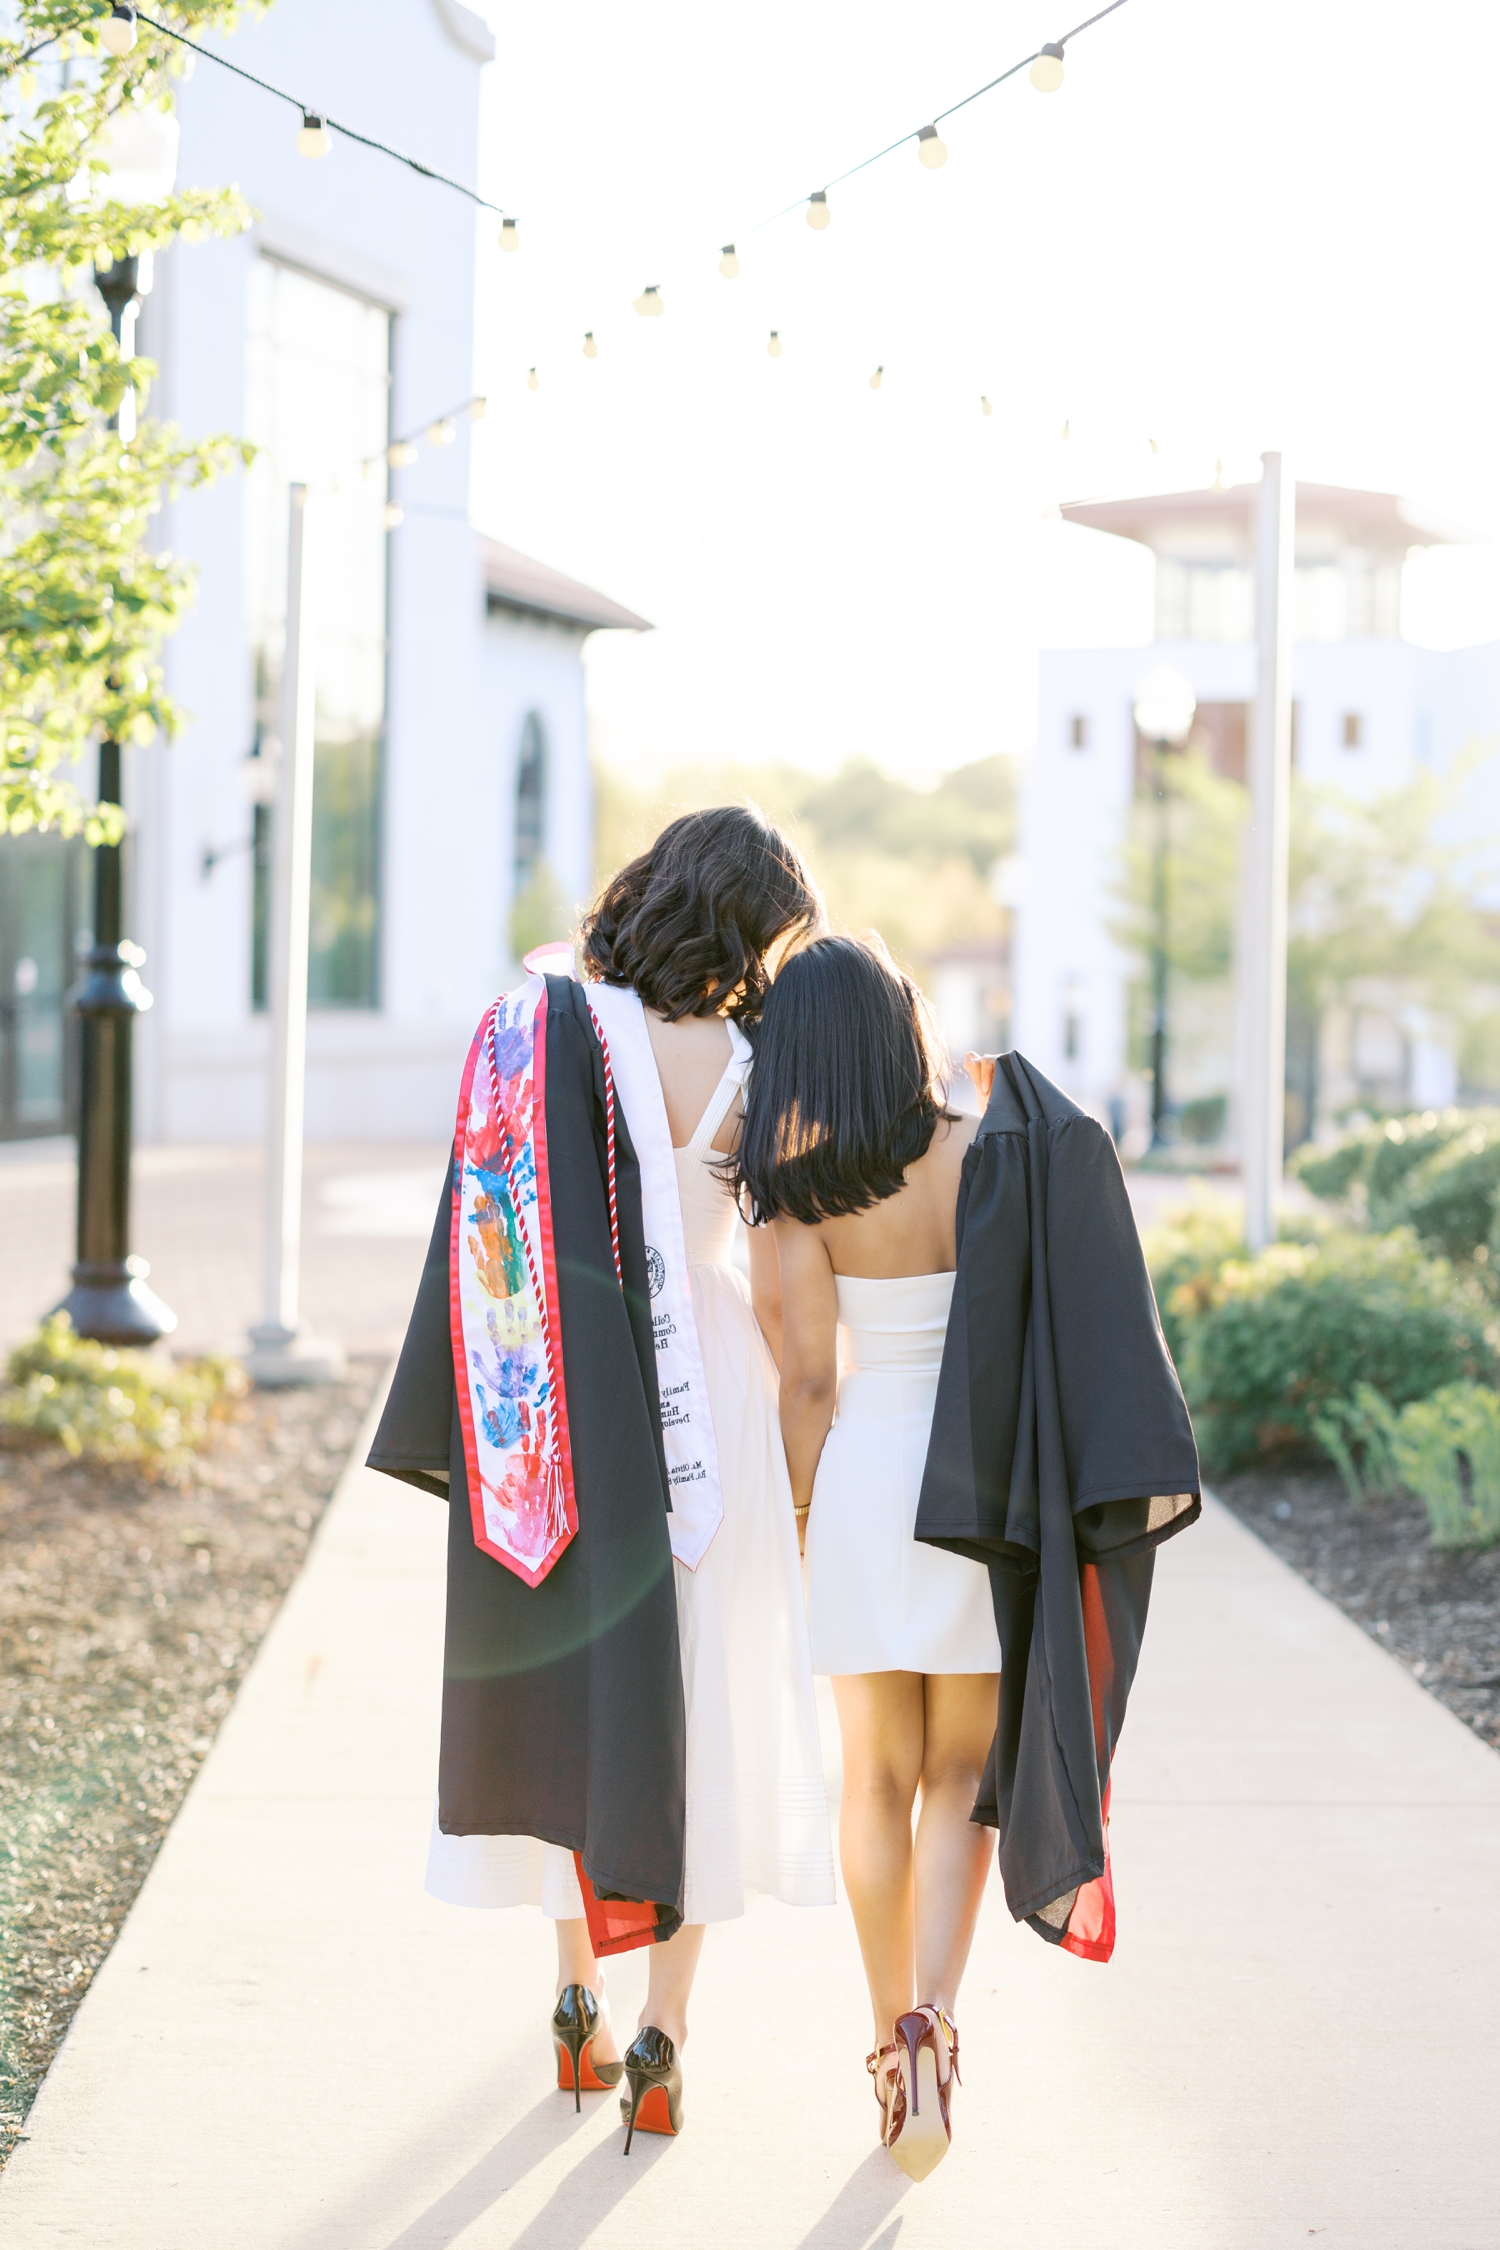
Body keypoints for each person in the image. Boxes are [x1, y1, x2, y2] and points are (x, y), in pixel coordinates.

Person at [370, 806, 834, 2152]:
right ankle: (665, 2031)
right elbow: (781, 1280)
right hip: (713, 1403)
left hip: (576, 1398)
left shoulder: (555, 1029)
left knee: (591, 1696)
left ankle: (576, 1994)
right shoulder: (760, 1061)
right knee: (696, 1709)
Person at [732, 935, 1001, 2182]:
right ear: (903, 1027)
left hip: (861, 1478)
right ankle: (935, 2018)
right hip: (978, 1480)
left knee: (874, 1779)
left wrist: (802, 1517)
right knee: (963, 1772)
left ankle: (889, 2043)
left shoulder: (802, 1187)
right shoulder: (979, 1149)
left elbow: (806, 1378)